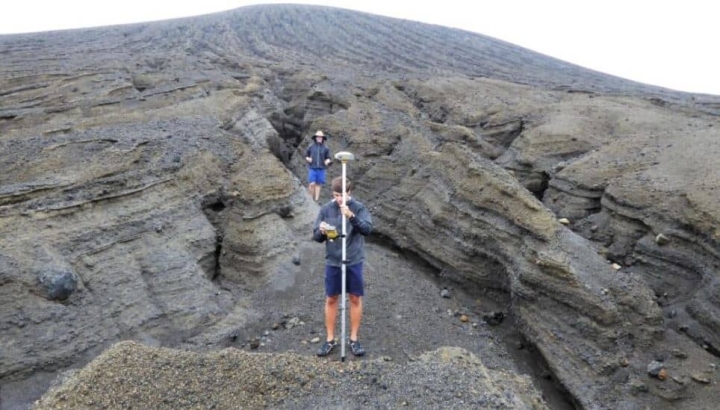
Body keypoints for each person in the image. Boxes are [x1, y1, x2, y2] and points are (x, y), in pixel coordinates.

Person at [312, 176, 373, 357]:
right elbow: (316, 237)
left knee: (355, 298)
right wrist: (321, 231)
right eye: (336, 195)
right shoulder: (326, 209)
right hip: (334, 261)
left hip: (353, 260)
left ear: (349, 192)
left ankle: (353, 339)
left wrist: (351, 216)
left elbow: (368, 229)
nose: (339, 199)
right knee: (331, 298)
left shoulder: (358, 208)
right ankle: (330, 340)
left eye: (343, 195)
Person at [304, 130, 332, 202]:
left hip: (321, 169)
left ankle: (316, 199)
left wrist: (327, 161)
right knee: (312, 183)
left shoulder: (326, 148)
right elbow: (306, 155)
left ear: (322, 138)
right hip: (312, 168)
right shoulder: (311, 146)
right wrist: (308, 159)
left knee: (318, 184)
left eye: (320, 137)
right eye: (318, 137)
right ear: (315, 138)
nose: (319, 138)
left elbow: (329, 157)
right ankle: (310, 198)